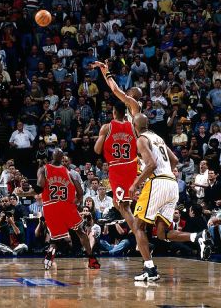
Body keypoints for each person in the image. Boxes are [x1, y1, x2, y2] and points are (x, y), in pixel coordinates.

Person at [129, 114, 212, 281]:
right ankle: (197, 236)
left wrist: (136, 183)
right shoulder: (158, 138)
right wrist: (166, 173)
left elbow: (151, 165)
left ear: (134, 126)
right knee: (162, 233)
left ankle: (150, 269)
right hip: (172, 183)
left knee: (137, 226)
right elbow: (174, 159)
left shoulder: (142, 139)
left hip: (157, 182)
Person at [37, 149, 100, 270]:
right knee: (80, 232)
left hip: (52, 207)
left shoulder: (45, 169)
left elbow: (39, 187)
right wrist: (75, 203)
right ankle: (91, 258)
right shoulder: (70, 174)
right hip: (67, 207)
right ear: (62, 160)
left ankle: (51, 250)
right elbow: (80, 193)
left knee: (56, 237)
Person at [94, 101, 137, 230]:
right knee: (118, 201)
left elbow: (97, 149)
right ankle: (119, 216)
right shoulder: (133, 127)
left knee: (123, 206)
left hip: (116, 167)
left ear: (114, 112)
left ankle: (138, 233)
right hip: (131, 166)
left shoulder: (107, 127)